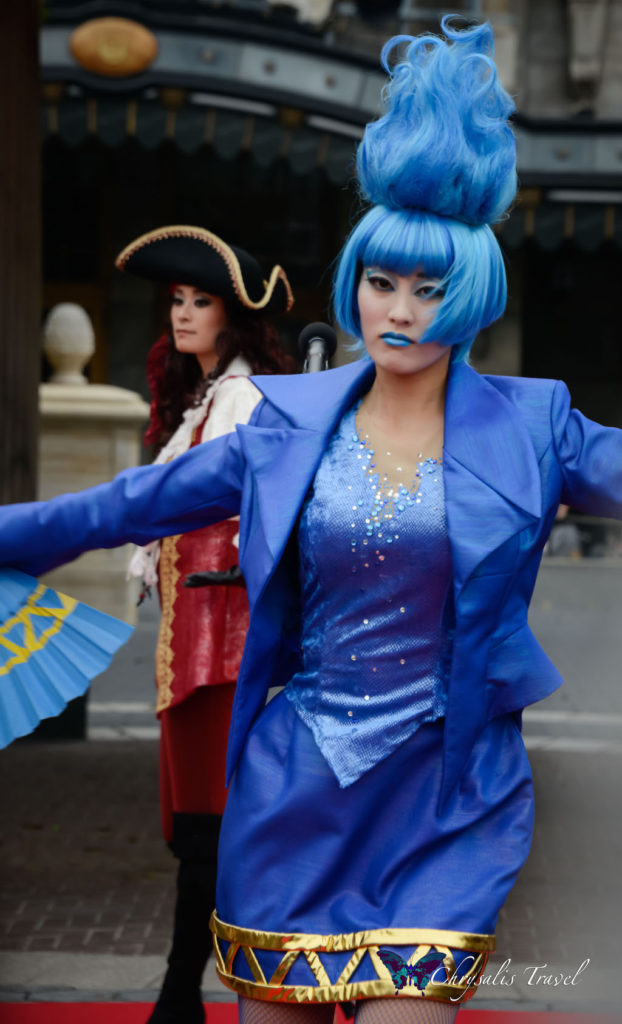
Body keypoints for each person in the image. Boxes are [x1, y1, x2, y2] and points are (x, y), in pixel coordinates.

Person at [1, 17, 621, 1024]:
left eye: (430, 288)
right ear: (354, 283)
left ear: (469, 295)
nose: (399, 309)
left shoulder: (536, 425)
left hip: (448, 802)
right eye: (381, 282)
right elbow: (119, 507)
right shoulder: (281, 425)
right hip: (296, 789)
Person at [116, 225, 294, 1024]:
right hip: (189, 651)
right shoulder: (204, 400)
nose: (183, 313)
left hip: (221, 651)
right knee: (199, 833)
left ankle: (182, 995)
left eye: (202, 301)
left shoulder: (243, 401)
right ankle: (185, 994)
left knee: (211, 833)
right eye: (178, 300)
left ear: (235, 316)